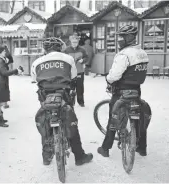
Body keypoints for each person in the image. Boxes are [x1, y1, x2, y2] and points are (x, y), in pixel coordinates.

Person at [31, 37, 93, 166]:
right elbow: (73, 76)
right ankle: (79, 156)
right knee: (72, 122)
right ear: (60, 47)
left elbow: (34, 79)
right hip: (63, 96)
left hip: (45, 98)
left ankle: (46, 157)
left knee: (46, 122)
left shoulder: (36, 62)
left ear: (45, 49)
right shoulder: (68, 59)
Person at [97, 25, 151, 157]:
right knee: (139, 118)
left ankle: (105, 148)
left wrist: (108, 80)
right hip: (136, 90)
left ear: (129, 38)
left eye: (121, 37)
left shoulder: (124, 54)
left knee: (113, 117)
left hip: (121, 91)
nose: (119, 40)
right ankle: (142, 148)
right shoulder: (143, 53)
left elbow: (114, 75)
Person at [0, 45, 21, 127]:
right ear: (0, 53)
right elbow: (4, 72)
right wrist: (16, 70)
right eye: (3, 51)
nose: (5, 52)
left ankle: (1, 118)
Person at [64, 33, 88, 107]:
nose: (74, 44)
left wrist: (83, 60)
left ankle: (81, 102)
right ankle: (71, 102)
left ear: (78, 42)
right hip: (70, 72)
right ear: (70, 42)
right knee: (70, 87)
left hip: (79, 71)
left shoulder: (82, 50)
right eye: (73, 42)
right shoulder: (66, 50)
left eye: (76, 42)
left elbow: (86, 57)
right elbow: (63, 59)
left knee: (80, 87)